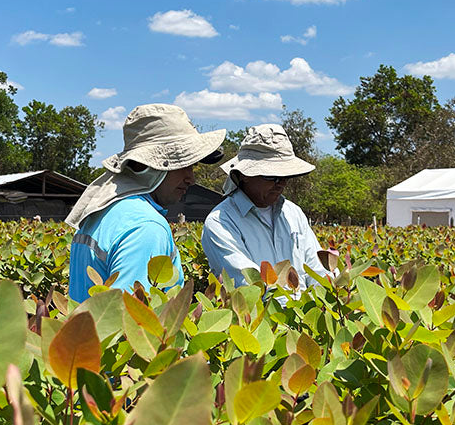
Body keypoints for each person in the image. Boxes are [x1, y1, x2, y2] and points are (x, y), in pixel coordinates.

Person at [66, 104, 225, 303]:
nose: (190, 179)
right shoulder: (146, 226)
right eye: (184, 166)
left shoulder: (103, 210)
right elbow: (131, 323)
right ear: (146, 166)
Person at [201, 124, 328, 290]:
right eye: (272, 176)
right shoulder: (220, 222)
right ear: (244, 175)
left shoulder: (293, 213)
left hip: (305, 311)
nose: (280, 183)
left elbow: (317, 270)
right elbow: (251, 286)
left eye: (285, 176)